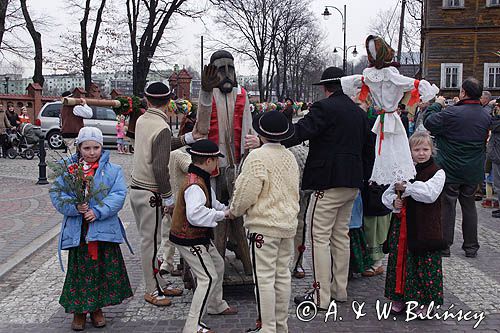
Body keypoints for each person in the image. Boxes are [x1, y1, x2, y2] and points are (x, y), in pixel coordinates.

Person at [281, 66, 371, 309]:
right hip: (352, 182)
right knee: (341, 236)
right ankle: (339, 289)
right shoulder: (359, 113)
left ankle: (321, 296)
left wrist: (271, 137)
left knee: (319, 238)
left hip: (328, 182)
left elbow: (300, 132)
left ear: (324, 87)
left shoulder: (324, 107)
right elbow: (368, 151)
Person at [49, 127, 133, 331]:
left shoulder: (113, 171)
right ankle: (79, 312)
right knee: (79, 272)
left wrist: (98, 211)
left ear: (102, 147)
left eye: (96, 147)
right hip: (79, 232)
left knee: (101, 270)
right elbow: (57, 194)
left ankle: (97, 309)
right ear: (79, 147)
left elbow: (118, 195)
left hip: (102, 230)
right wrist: (75, 207)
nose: (91, 151)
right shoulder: (67, 170)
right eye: (87, 147)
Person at [130, 81, 200, 307]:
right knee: (149, 243)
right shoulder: (161, 126)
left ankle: (158, 282)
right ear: (169, 101)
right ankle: (152, 290)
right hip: (150, 191)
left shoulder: (143, 120)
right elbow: (160, 166)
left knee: (149, 240)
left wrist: (186, 139)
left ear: (148, 100)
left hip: (138, 188)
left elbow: (158, 146)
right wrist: (168, 196)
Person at [229, 111, 299, 332]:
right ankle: (281, 325)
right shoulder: (289, 156)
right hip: (286, 225)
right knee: (282, 276)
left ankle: (267, 327)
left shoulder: (257, 157)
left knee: (265, 279)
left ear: (261, 134)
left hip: (263, 226)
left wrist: (234, 211)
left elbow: (246, 192)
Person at [195, 50, 255, 275]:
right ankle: (215, 259)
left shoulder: (242, 95)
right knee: (215, 214)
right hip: (212, 166)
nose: (227, 74)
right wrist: (204, 92)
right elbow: (201, 128)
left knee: (237, 214)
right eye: (221, 70)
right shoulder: (208, 94)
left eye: (231, 69)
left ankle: (242, 255)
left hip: (236, 165)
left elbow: (248, 128)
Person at [169, 139, 238, 333]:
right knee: (206, 278)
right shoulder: (195, 185)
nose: (218, 163)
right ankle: (193, 326)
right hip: (189, 238)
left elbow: (213, 202)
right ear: (208, 161)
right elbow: (196, 214)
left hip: (198, 236)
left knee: (218, 264)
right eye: (216, 160)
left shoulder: (201, 178)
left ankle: (215, 304)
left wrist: (228, 210)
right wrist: (223, 214)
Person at [424, 78, 491, 258]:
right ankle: (471, 247)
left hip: (451, 167)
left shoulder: (452, 112)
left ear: (463, 92)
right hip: (473, 169)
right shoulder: (486, 115)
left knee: (447, 205)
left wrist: (437, 105)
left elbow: (429, 122)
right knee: (469, 206)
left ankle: (445, 245)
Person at [382, 131, 446, 316]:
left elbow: (429, 194)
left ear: (431, 150)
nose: (421, 153)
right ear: (409, 151)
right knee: (401, 261)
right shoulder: (403, 170)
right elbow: (387, 194)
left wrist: (408, 188)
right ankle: (400, 297)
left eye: (425, 149)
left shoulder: (437, 172)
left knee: (424, 264)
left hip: (426, 227)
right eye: (416, 149)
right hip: (402, 226)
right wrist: (394, 200)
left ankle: (426, 302)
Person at [487, 104, 500, 217]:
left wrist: (493, 111)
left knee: (498, 184)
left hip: (498, 156)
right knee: (497, 183)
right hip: (496, 155)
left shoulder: (497, 123)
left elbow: (492, 124)